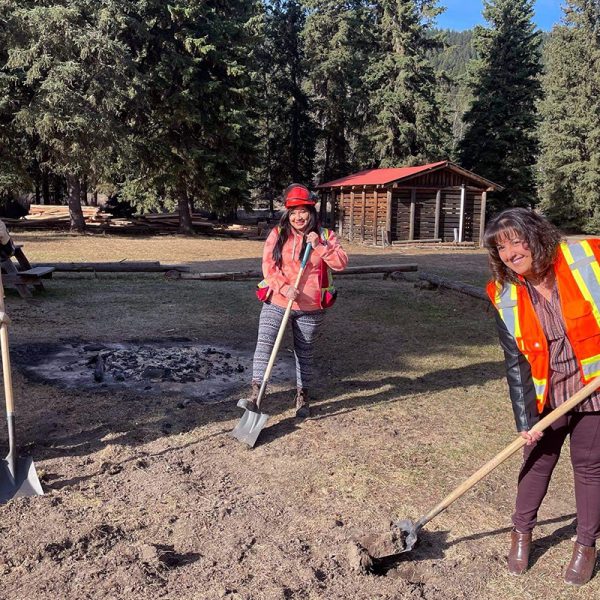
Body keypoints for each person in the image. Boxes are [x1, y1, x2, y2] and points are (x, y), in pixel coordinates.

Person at [484, 207, 600, 586]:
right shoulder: (506, 295)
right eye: (501, 248)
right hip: (548, 395)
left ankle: (585, 545)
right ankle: (521, 532)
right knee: (535, 462)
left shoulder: (586, 258)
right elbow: (516, 360)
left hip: (594, 388)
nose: (510, 253)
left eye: (516, 241)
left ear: (537, 236)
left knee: (589, 467)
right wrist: (524, 420)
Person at [244, 183, 348, 418]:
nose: (298, 217)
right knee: (265, 345)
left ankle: (302, 396)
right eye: (293, 213)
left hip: (311, 307)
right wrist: (284, 287)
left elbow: (341, 263)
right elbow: (268, 267)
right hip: (277, 301)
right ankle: (256, 394)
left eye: (303, 211)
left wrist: (319, 246)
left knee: (305, 352)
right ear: (287, 214)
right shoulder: (278, 234)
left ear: (311, 212)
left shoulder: (326, 236)